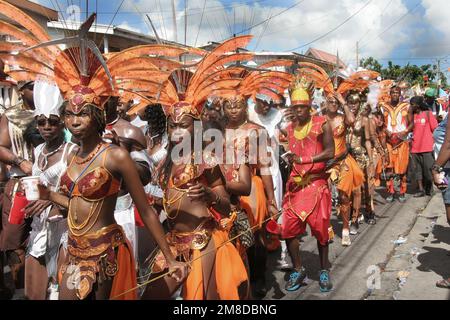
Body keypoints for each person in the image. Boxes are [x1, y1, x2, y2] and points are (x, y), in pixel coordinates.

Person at [280, 78, 334, 293]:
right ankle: (298, 268)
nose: (300, 111)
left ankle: (323, 270)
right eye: (296, 107)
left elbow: (331, 152)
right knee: (289, 230)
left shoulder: (323, 123)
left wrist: (304, 160)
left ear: (310, 105)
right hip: (295, 185)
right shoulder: (289, 128)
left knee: (320, 228)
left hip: (317, 184)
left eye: (303, 107)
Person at [23, 80, 75, 300]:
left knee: (60, 287)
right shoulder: (37, 150)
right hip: (39, 227)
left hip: (64, 227)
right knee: (35, 292)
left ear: (62, 122)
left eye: (52, 122)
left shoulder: (72, 152)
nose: (46, 127)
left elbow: (79, 196)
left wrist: (52, 199)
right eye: (41, 121)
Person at [0, 80, 35, 296]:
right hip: (21, 184)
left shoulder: (59, 111)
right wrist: (20, 161)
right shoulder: (11, 116)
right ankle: (21, 291)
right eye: (31, 86)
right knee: (15, 241)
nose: (36, 91)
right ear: (21, 91)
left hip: (53, 185)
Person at [325, 93, 364, 246]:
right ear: (325, 102)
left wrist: (343, 102)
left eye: (336, 102)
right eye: (330, 101)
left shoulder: (342, 118)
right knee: (325, 197)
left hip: (342, 161)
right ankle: (327, 229)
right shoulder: (320, 119)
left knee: (344, 198)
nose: (333, 104)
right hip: (325, 163)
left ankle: (346, 230)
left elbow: (352, 120)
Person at [380, 86, 412, 203]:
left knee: (403, 169)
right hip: (388, 141)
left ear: (400, 94)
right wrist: (385, 129)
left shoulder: (407, 106)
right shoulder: (384, 107)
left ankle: (402, 191)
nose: (394, 94)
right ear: (390, 93)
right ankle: (391, 192)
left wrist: (404, 132)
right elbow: (380, 123)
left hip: (402, 141)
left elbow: (411, 123)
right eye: (392, 92)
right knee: (389, 169)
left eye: (396, 93)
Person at [410, 96, 438, 197]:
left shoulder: (428, 113)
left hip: (427, 147)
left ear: (418, 105)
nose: (411, 106)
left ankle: (429, 188)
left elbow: (435, 128)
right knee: (417, 171)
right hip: (414, 147)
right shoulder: (412, 116)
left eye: (412, 104)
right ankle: (421, 190)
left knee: (428, 170)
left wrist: (434, 142)